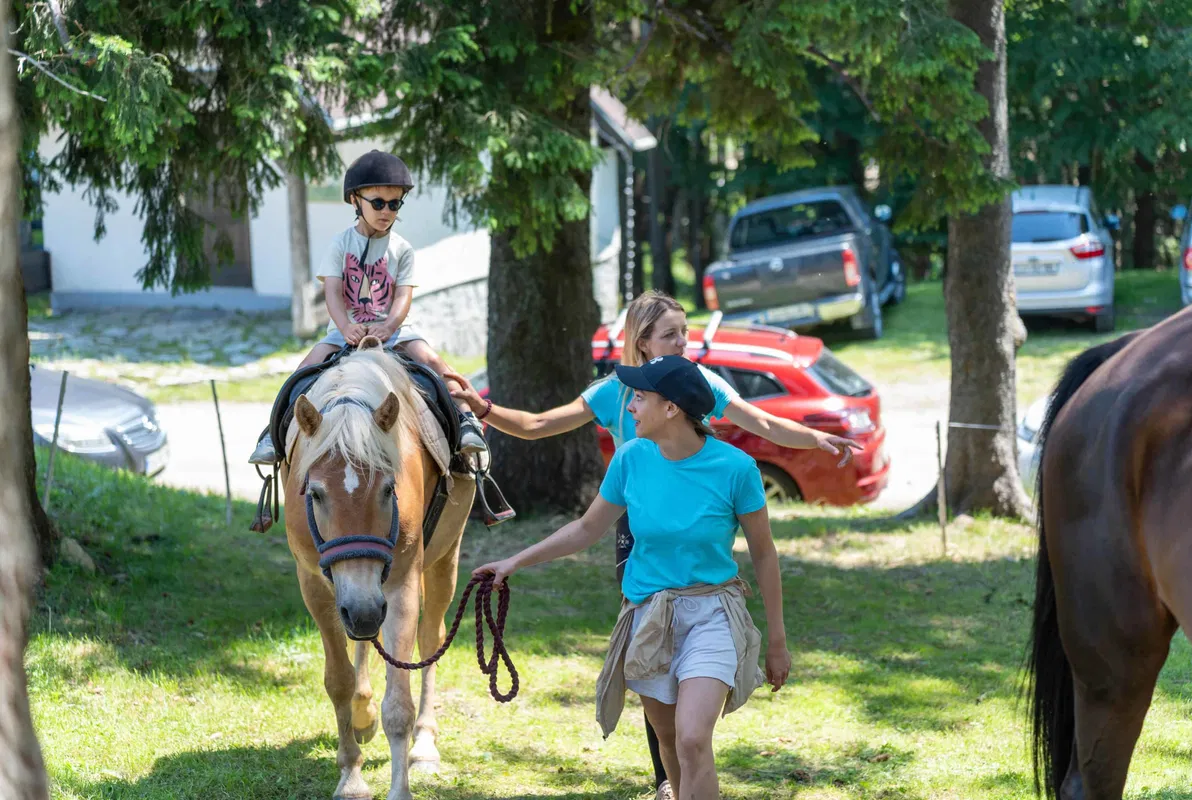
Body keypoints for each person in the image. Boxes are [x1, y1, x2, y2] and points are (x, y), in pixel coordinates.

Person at [445, 290, 860, 799]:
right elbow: (543, 438)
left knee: (690, 737)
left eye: (685, 332)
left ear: (672, 406)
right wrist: (483, 411)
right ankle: (670, 780)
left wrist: (815, 438)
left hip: (704, 570)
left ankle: (681, 768)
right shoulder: (619, 408)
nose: (683, 342)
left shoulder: (705, 407)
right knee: (667, 727)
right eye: (671, 334)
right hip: (637, 532)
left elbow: (766, 428)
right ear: (642, 341)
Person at [473, 355, 790, 800]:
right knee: (670, 744)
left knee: (694, 738)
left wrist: (776, 640)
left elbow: (763, 551)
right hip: (649, 615)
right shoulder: (631, 459)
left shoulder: (736, 469)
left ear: (671, 409)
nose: (629, 408)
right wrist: (514, 562)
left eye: (639, 398)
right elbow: (586, 529)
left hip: (713, 613)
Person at [248, 150, 486, 464]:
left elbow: (403, 295)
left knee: (436, 363)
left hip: (396, 332)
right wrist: (345, 326)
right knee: (301, 372)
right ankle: (272, 435)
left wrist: (389, 326)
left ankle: (467, 424)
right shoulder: (340, 244)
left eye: (394, 203)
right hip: (343, 332)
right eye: (377, 203)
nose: (386, 211)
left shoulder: (402, 249)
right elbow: (332, 291)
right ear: (354, 201)